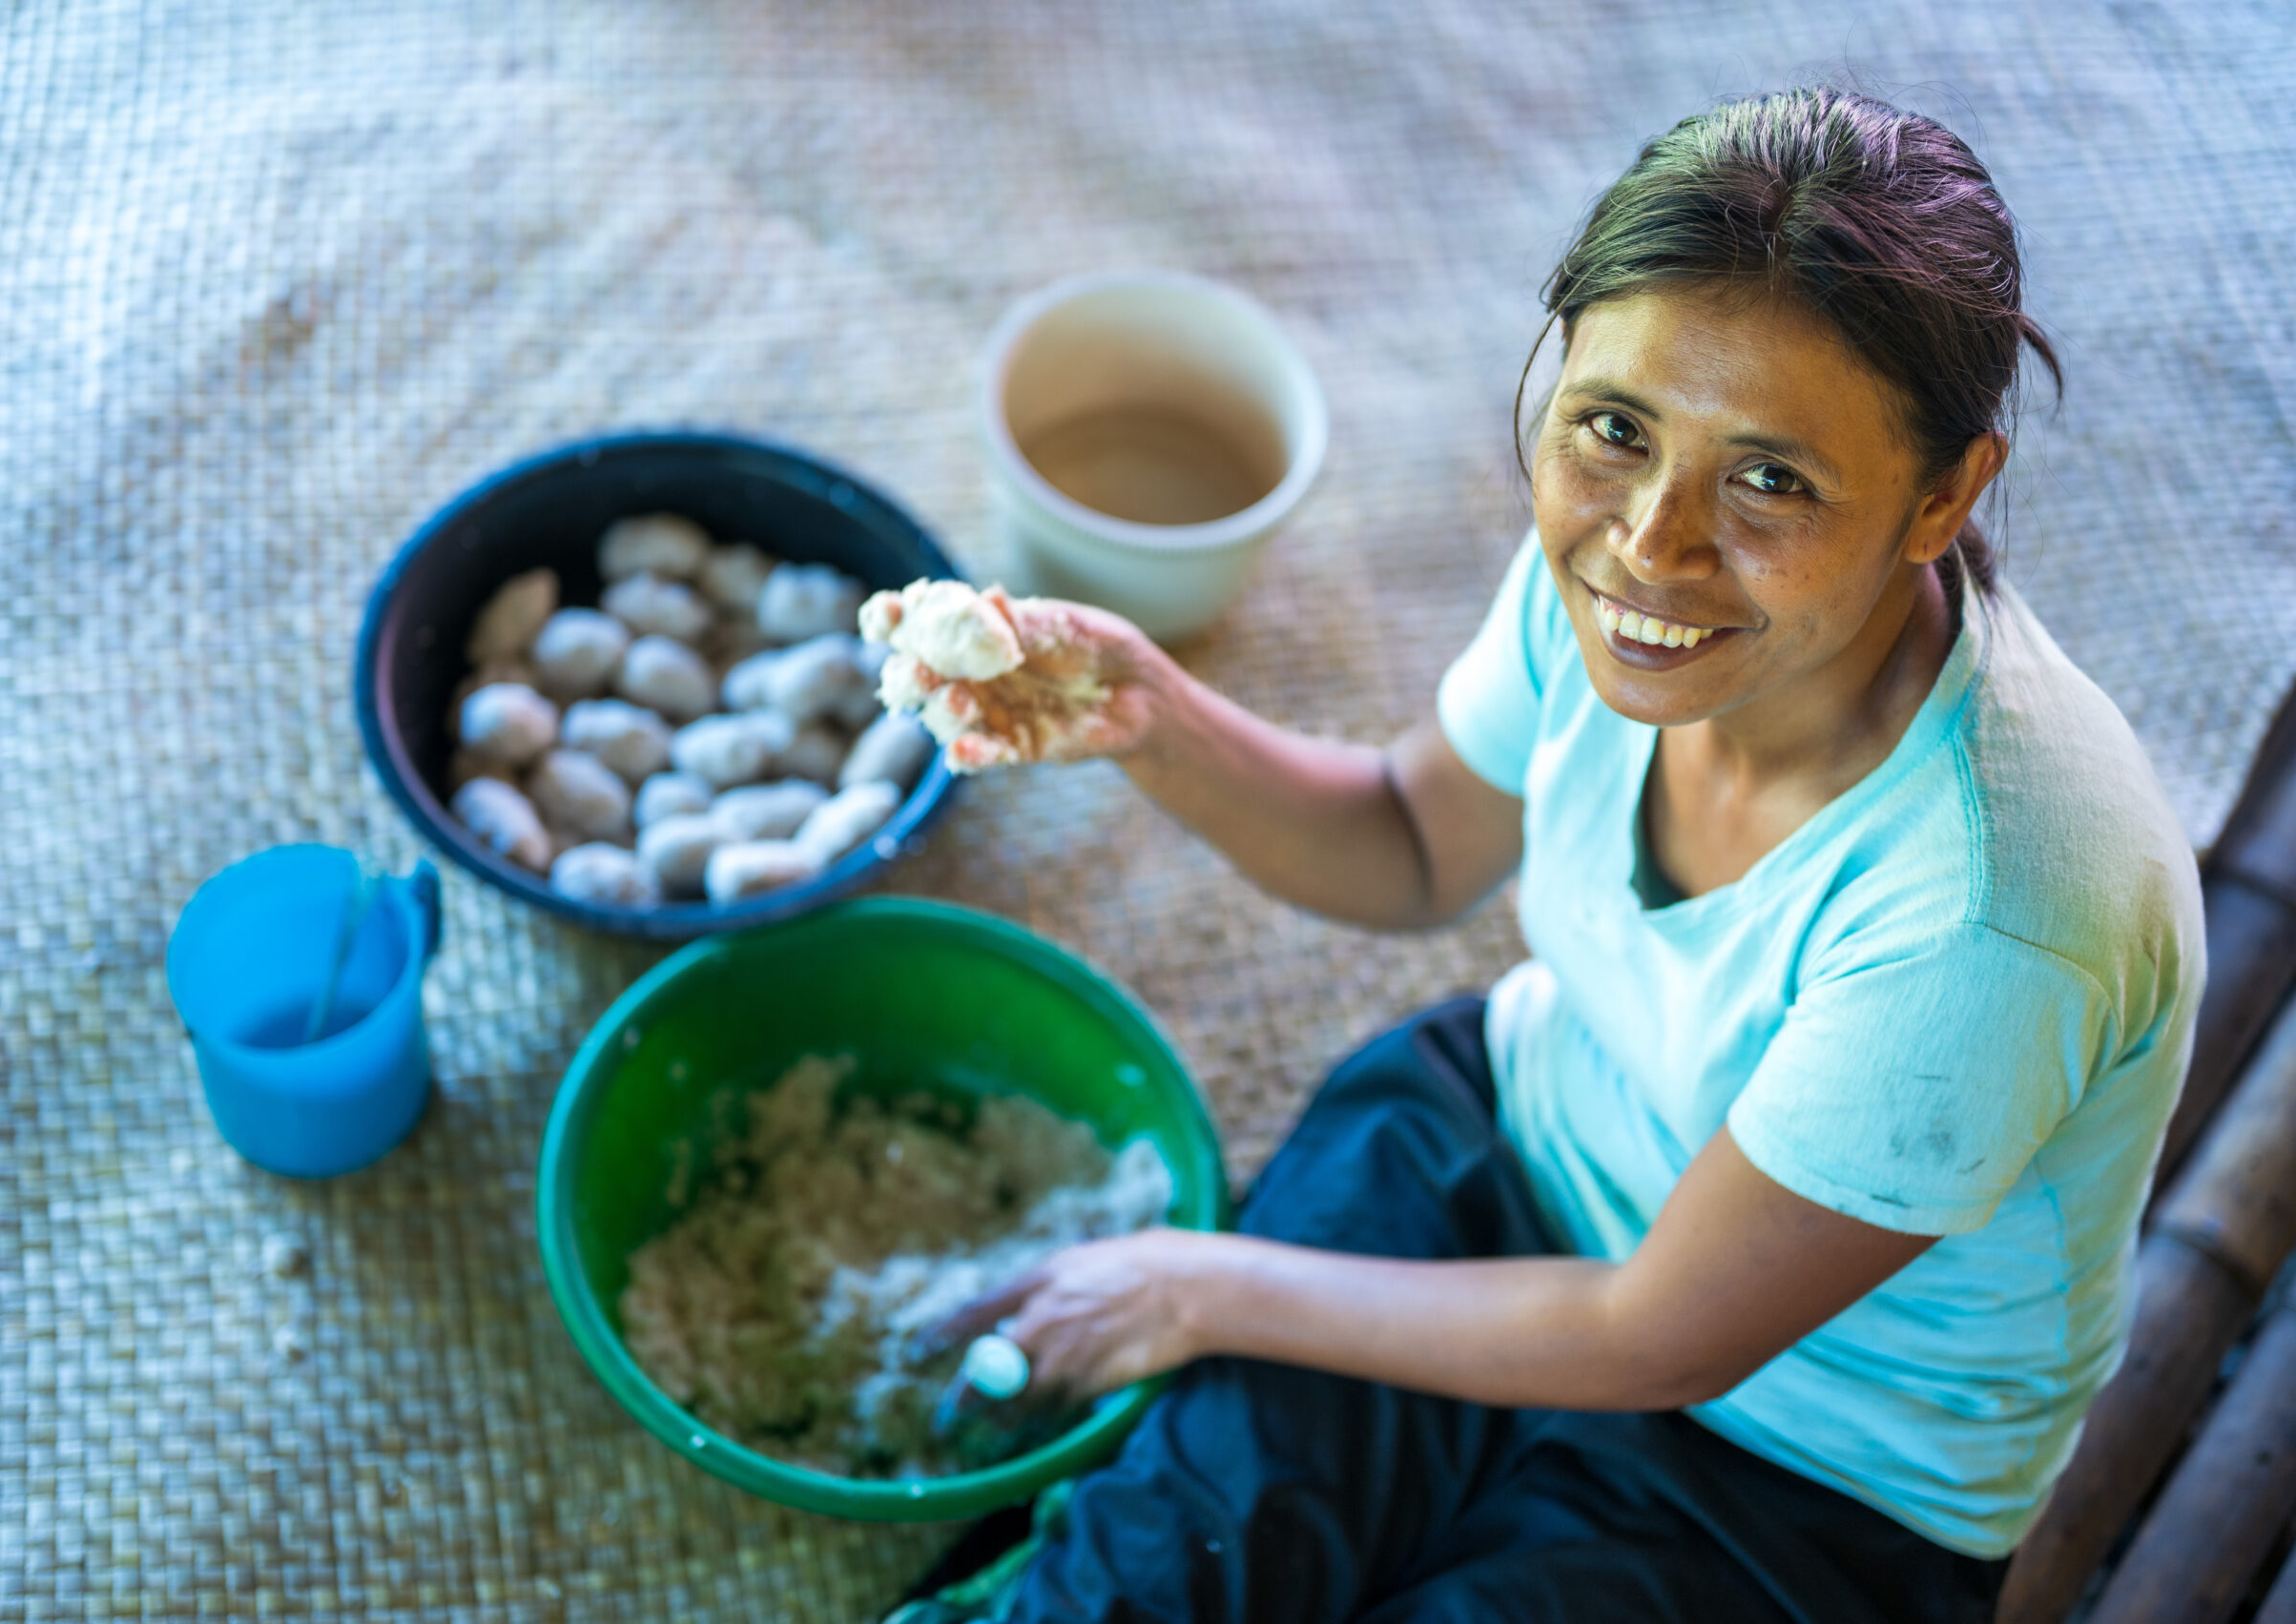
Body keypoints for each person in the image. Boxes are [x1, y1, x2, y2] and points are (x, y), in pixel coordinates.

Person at [891, 87, 2205, 1624]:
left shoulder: (1990, 916)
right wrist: (1151, 713)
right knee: (1129, 1591)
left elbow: (1665, 1338)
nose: (1652, 544)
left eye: (1770, 478)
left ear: (1944, 497)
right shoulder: (1606, 580)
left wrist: (1193, 1282)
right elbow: (1405, 843)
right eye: (1615, 427)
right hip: (1508, 1145)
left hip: (1802, 1469)